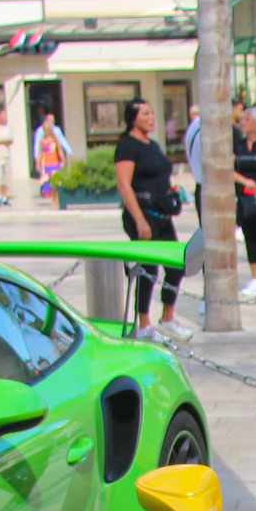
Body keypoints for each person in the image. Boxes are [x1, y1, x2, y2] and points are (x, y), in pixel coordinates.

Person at [112, 98, 182, 334]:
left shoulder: (152, 145)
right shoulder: (127, 146)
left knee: (175, 265)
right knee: (148, 269)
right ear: (132, 118)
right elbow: (124, 184)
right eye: (145, 114)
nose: (151, 118)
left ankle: (168, 319)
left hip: (162, 215)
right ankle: (143, 323)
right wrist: (140, 220)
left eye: (152, 113)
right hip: (141, 215)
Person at [232, 103, 256, 300]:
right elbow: (229, 169)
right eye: (242, 119)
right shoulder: (238, 145)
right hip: (245, 198)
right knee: (250, 239)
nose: (243, 122)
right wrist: (243, 180)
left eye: (247, 119)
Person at [34, 109, 70, 200]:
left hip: (54, 161)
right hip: (46, 162)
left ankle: (56, 198)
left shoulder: (55, 139)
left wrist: (63, 160)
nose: (45, 131)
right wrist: (37, 162)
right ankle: (49, 197)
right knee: (46, 180)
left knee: (55, 180)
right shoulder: (42, 140)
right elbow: (40, 152)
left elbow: (60, 150)